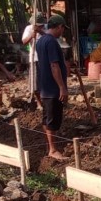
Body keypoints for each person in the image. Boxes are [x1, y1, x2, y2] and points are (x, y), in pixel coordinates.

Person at [37, 14, 69, 160]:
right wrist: (62, 87)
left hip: (45, 86)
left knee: (47, 118)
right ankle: (53, 150)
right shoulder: (51, 42)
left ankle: (50, 146)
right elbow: (54, 65)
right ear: (59, 27)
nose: (62, 32)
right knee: (52, 119)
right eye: (62, 28)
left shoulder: (41, 41)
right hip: (52, 87)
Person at [21, 13, 45, 107]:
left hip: (46, 59)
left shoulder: (45, 27)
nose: (40, 26)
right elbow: (24, 42)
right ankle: (39, 103)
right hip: (35, 58)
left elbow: (51, 37)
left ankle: (46, 100)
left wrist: (41, 31)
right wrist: (32, 35)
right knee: (35, 83)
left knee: (46, 82)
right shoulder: (28, 28)